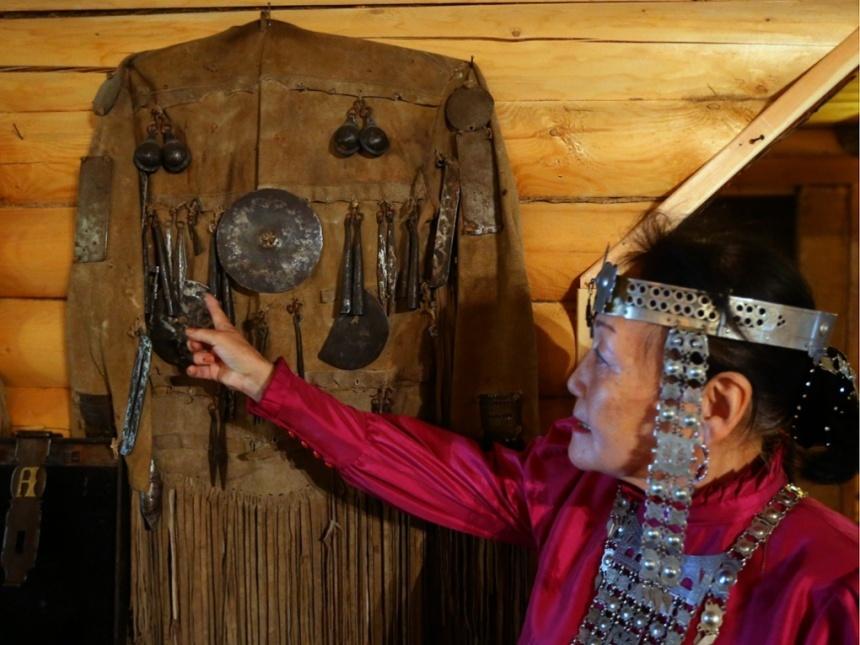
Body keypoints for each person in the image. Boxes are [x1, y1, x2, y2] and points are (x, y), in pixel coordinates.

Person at [185, 221, 859, 644]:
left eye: (605, 359)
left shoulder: (832, 589)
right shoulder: (578, 493)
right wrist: (268, 385)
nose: (574, 380)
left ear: (714, 404)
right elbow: (436, 473)